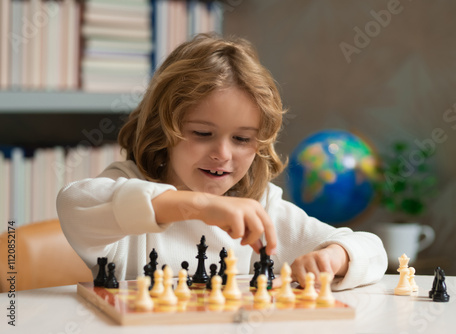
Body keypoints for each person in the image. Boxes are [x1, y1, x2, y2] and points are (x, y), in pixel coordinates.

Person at [57, 33, 387, 290]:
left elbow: (371, 250)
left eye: (242, 139)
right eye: (202, 133)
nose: (223, 155)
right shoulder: (130, 189)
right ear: (164, 128)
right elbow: (73, 202)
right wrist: (200, 206)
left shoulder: (260, 207)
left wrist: (334, 258)